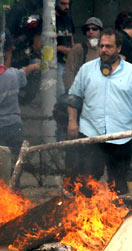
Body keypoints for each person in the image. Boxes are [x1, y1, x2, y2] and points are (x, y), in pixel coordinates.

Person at [67, 29, 132, 196]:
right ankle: (85, 218)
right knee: (86, 183)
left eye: (109, 46)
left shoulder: (130, 72)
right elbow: (74, 97)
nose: (103, 50)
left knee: (119, 186)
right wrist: (72, 122)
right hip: (91, 134)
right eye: (101, 46)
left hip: (121, 137)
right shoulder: (87, 70)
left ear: (118, 48)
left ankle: (121, 219)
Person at [63, 17, 103, 90]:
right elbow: (69, 71)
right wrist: (72, 92)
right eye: (88, 29)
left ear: (100, 31)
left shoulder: (103, 50)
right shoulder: (78, 48)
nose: (90, 31)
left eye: (94, 29)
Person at [55, 0, 75, 97]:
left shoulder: (68, 18)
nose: (66, 7)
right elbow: (39, 45)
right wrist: (60, 48)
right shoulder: (50, 19)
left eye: (68, 4)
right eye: (63, 4)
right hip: (55, 61)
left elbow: (71, 38)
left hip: (68, 60)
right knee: (60, 90)